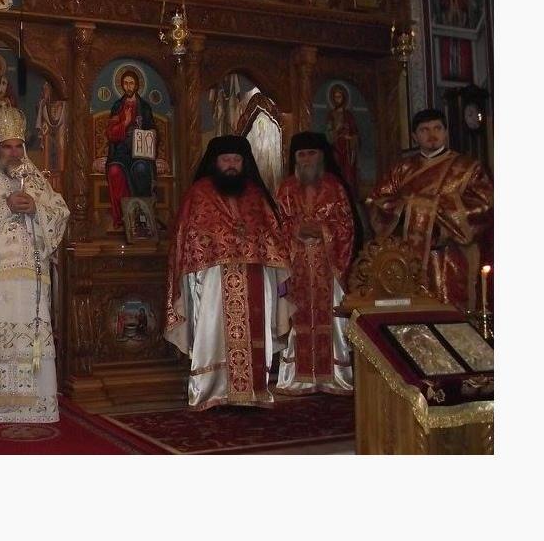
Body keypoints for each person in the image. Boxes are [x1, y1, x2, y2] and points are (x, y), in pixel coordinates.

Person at [0, 106, 70, 423]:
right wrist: (5, 205)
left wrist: (37, 209)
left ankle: (36, 402)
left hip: (32, 280)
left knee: (33, 338)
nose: (15, 153)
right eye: (7, 147)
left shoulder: (35, 180)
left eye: (19, 146)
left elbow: (60, 213)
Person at [164, 135, 290, 410]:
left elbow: (272, 237)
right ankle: (211, 391)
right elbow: (188, 238)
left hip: (255, 275)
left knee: (256, 332)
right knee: (213, 331)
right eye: (226, 160)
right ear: (215, 162)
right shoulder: (199, 194)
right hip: (213, 278)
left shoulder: (256, 194)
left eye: (236, 160)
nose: (232, 165)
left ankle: (255, 390)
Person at [368, 109, 493, 311]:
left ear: (446, 133)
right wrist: (409, 209)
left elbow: (484, 205)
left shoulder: (468, 168)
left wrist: (433, 211)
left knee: (452, 311)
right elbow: (377, 201)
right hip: (407, 257)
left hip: (451, 254)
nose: (432, 134)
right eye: (424, 130)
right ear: (414, 136)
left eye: (437, 128)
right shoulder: (401, 169)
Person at [273, 133, 362, 396]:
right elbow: (277, 225)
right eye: (301, 155)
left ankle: (335, 377)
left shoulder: (335, 187)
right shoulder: (286, 188)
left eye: (311, 153)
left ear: (322, 156)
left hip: (328, 266)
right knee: (296, 317)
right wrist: (296, 230)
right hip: (297, 265)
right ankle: (295, 378)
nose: (306, 159)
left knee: (332, 318)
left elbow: (347, 226)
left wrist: (322, 230)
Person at [104, 68, 156, 229]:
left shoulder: (145, 107)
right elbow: (111, 133)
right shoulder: (117, 106)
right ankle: (122, 216)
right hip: (121, 152)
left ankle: (141, 215)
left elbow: (153, 130)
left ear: (137, 85)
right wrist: (125, 123)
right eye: (125, 83)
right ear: (122, 85)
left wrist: (149, 136)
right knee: (114, 171)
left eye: (131, 83)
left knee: (141, 169)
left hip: (141, 152)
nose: (128, 86)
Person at [324, 84, 361, 191]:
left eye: (339, 97)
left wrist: (350, 138)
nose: (337, 100)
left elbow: (355, 134)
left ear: (343, 98)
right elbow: (328, 134)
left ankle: (349, 193)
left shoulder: (349, 115)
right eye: (335, 97)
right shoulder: (331, 115)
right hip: (336, 148)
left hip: (348, 149)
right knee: (336, 173)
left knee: (348, 174)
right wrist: (337, 130)